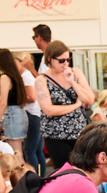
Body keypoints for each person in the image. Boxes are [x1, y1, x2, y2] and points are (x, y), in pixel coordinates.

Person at [35, 40, 95, 171]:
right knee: (64, 171)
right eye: (61, 61)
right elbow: (49, 110)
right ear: (50, 59)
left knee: (84, 169)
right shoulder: (41, 80)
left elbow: (90, 99)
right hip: (56, 134)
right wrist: (76, 105)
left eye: (68, 60)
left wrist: (72, 82)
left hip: (79, 131)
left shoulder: (75, 72)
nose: (65, 64)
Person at [13, 50, 45, 177]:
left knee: (30, 150)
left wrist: (16, 97)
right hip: (36, 114)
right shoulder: (29, 75)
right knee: (37, 151)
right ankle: (40, 176)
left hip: (31, 115)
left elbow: (31, 97)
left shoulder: (25, 76)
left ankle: (34, 176)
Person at [0, 48, 28, 166]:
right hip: (20, 113)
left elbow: (3, 102)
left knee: (16, 154)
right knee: (17, 152)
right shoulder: (16, 76)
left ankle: (24, 180)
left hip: (12, 115)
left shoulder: (5, 77)